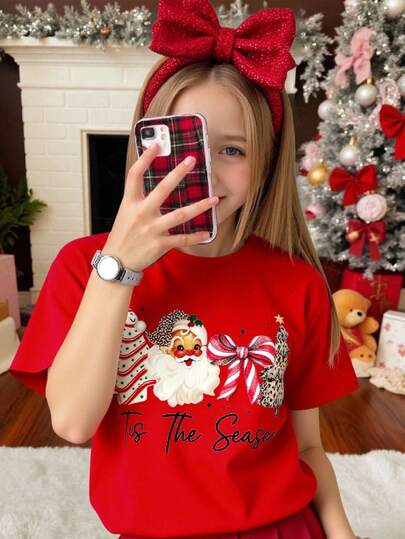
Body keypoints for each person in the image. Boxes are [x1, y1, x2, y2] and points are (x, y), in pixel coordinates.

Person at [9, 1, 362, 538]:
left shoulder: (297, 282)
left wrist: (343, 533)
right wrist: (120, 267)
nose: (202, 171)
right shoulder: (84, 267)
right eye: (181, 145)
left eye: (233, 150)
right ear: (144, 147)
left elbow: (308, 447)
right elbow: (73, 422)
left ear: (266, 163)